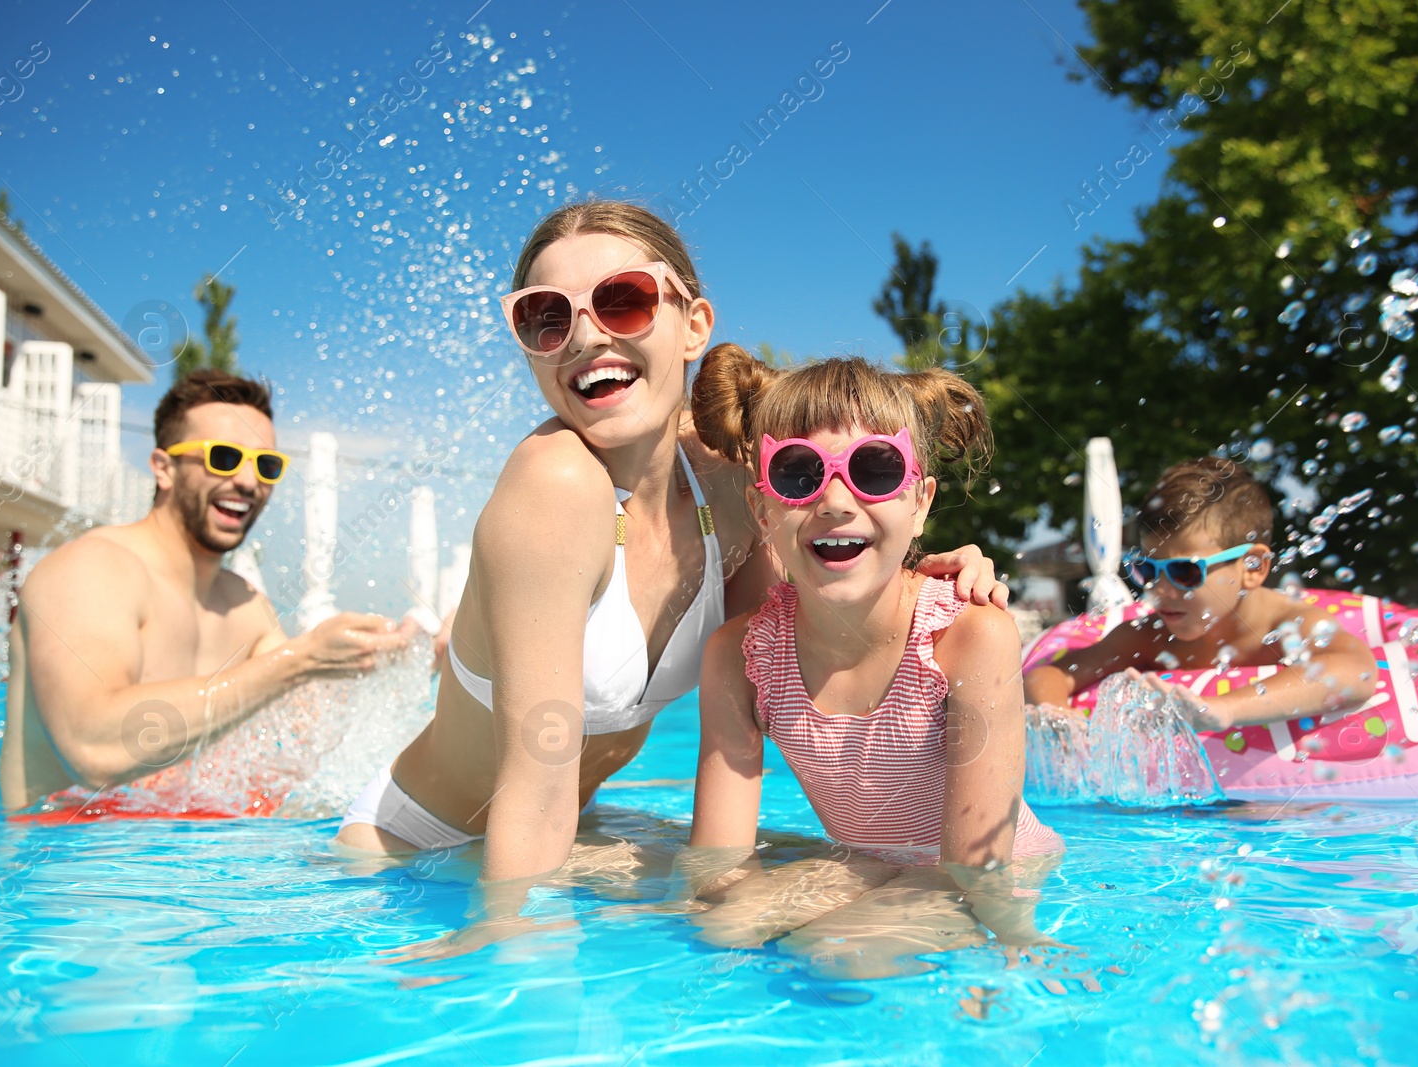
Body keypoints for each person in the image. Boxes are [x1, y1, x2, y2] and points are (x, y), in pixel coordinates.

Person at [341, 202, 1009, 946]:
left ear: (693, 323)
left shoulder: (728, 478)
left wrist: (937, 580)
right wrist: (511, 976)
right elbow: (531, 796)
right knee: (813, 899)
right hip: (427, 852)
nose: (588, 335)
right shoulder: (554, 485)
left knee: (845, 883)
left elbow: (811, 614)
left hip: (582, 827)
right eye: (546, 317)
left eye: (623, 299)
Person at [681, 349, 1061, 974]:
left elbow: (975, 864)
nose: (834, 500)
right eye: (798, 474)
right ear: (761, 510)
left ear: (920, 504)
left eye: (875, 470)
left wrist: (1016, 943)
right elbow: (718, 862)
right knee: (724, 927)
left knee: (838, 954)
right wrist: (734, 909)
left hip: (986, 866)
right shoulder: (740, 656)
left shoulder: (966, 638)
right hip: (867, 860)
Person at [0, 371, 413, 811]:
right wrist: (303, 659)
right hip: (65, 862)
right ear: (164, 468)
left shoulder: (246, 605)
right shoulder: (92, 569)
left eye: (266, 465)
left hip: (190, 855)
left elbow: (311, 737)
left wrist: (402, 664)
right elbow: (93, 749)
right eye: (225, 458)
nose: (249, 482)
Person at [1023, 456, 1378, 729]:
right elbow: (1050, 673)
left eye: (1184, 571)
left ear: (1252, 567)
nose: (1159, 589)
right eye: (1145, 568)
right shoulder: (1150, 637)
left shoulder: (1287, 626)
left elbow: (1355, 671)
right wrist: (1057, 717)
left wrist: (1225, 709)